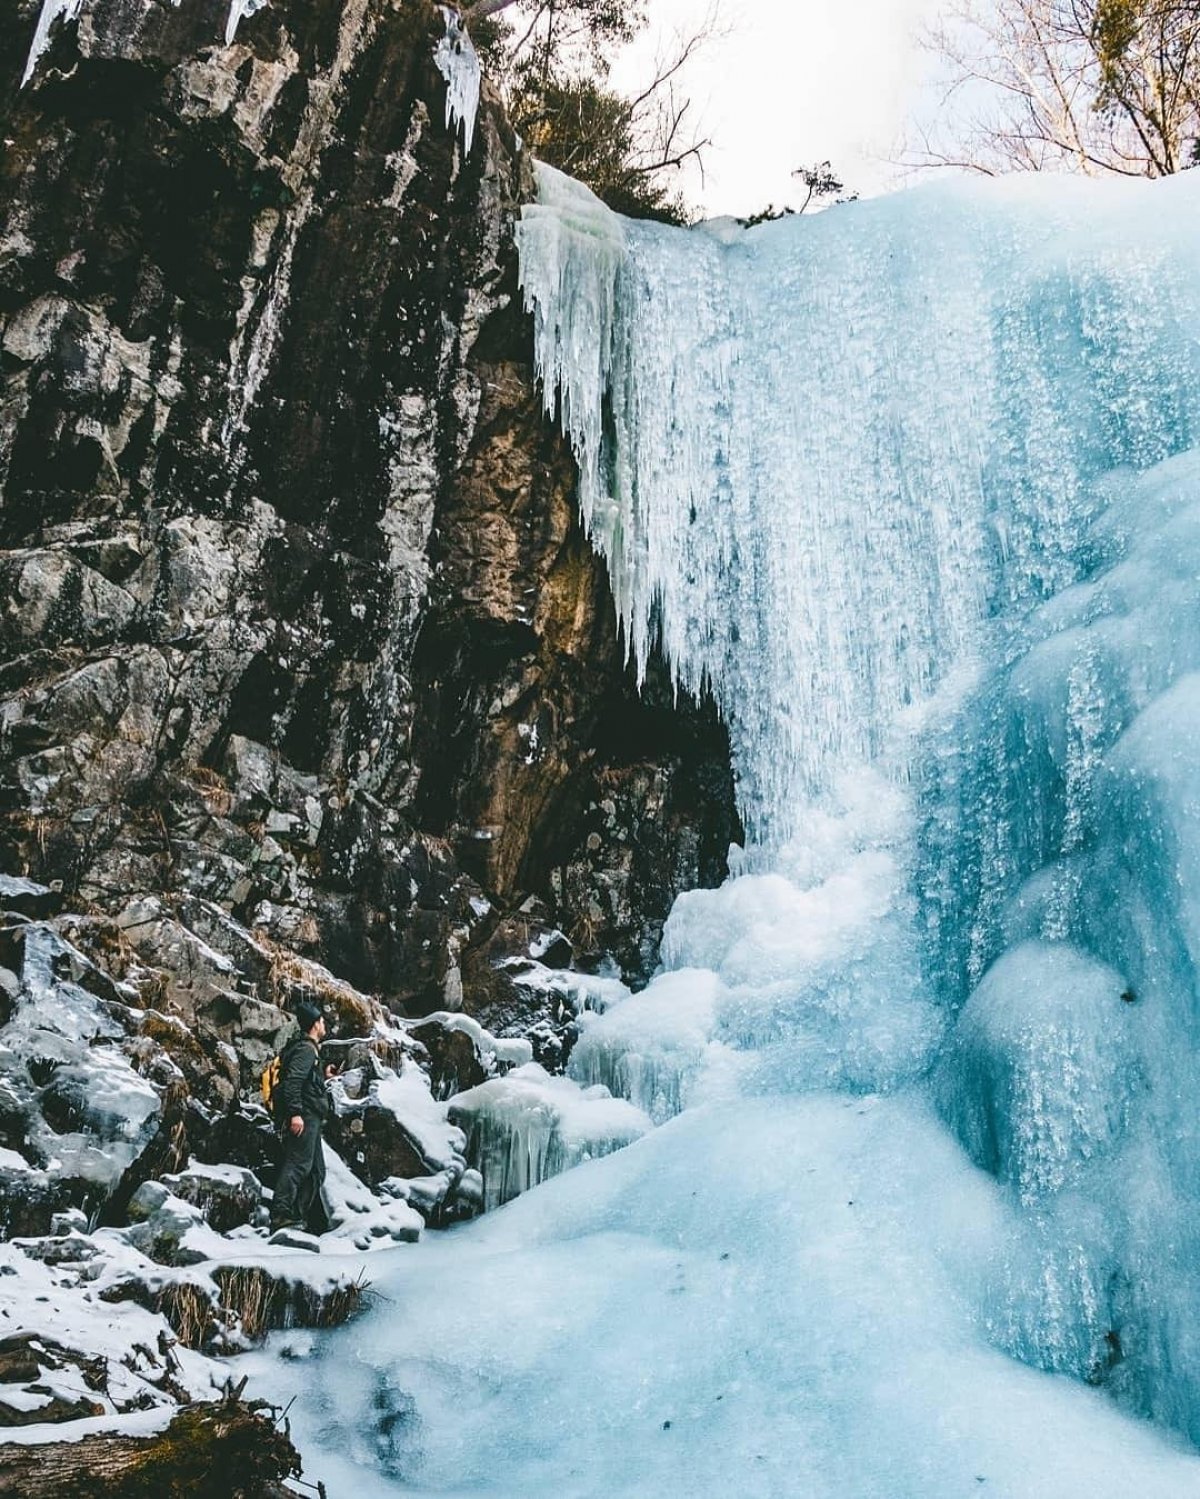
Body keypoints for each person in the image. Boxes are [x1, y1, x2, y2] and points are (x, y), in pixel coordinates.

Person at [269, 998, 335, 1237]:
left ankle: (297, 1216)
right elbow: (293, 1083)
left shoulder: (308, 1051)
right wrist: (295, 1114)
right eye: (322, 1021)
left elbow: (304, 1082)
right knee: (299, 1164)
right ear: (316, 1024)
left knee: (317, 1171)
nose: (324, 1024)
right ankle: (280, 1215)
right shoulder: (306, 1050)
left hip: (311, 1116)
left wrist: (323, 1076)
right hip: (304, 1116)